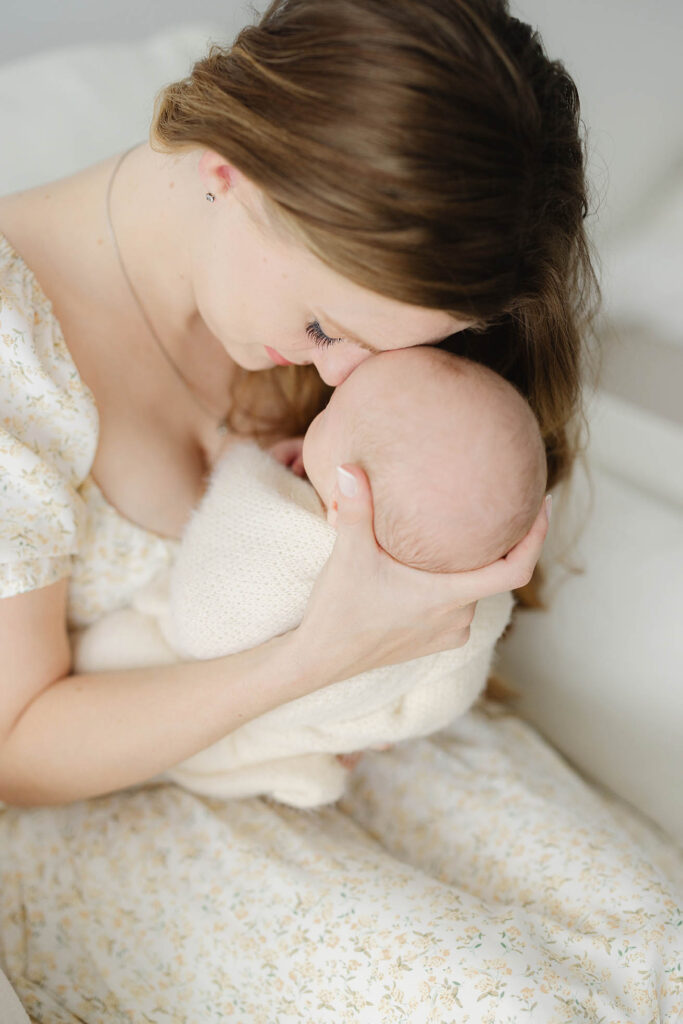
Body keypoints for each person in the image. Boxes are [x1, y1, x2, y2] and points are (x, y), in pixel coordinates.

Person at [0, 0, 594, 809]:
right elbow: (13, 754)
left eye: (385, 349)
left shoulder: (340, 310)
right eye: (323, 326)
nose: (345, 374)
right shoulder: (16, 351)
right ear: (226, 173)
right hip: (94, 817)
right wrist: (320, 660)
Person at [71, 347, 547, 806]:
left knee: (114, 650)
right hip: (314, 722)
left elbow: (204, 627)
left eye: (326, 417)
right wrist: (372, 719)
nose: (316, 415)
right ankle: (292, 754)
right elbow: (443, 693)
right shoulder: (471, 600)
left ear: (345, 494)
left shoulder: (279, 526)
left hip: (203, 690)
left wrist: (259, 473)